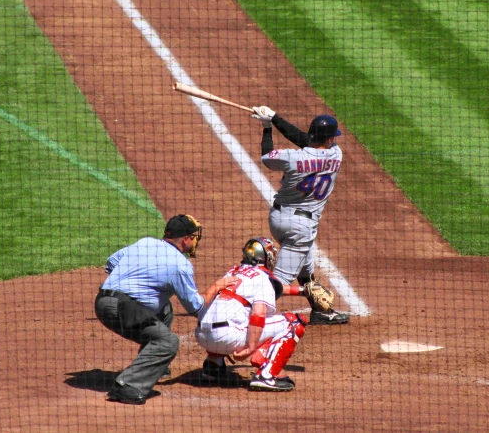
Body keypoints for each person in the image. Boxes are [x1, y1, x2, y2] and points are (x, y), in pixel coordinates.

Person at [95, 214, 236, 405]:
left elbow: (112, 261)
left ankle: (155, 366)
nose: (195, 241)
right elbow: (195, 307)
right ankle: (126, 386)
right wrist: (217, 286)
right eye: (194, 237)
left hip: (102, 300)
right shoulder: (180, 265)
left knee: (165, 309)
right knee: (168, 343)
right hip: (123, 308)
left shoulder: (145, 242)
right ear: (185, 239)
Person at [250, 106, 349, 325]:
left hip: (278, 219)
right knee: (280, 281)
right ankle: (241, 311)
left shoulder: (291, 158)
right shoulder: (336, 154)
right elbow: (303, 139)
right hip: (301, 226)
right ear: (331, 139)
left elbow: (267, 156)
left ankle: (320, 310)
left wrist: (268, 126)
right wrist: (275, 118)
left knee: (306, 266)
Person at [194, 236, 307, 392]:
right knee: (294, 322)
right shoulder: (263, 277)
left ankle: (213, 366)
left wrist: (302, 291)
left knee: (229, 312)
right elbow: (259, 313)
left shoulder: (233, 271)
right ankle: (266, 376)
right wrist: (251, 347)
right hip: (229, 338)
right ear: (265, 257)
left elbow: (277, 288)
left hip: (202, 336)